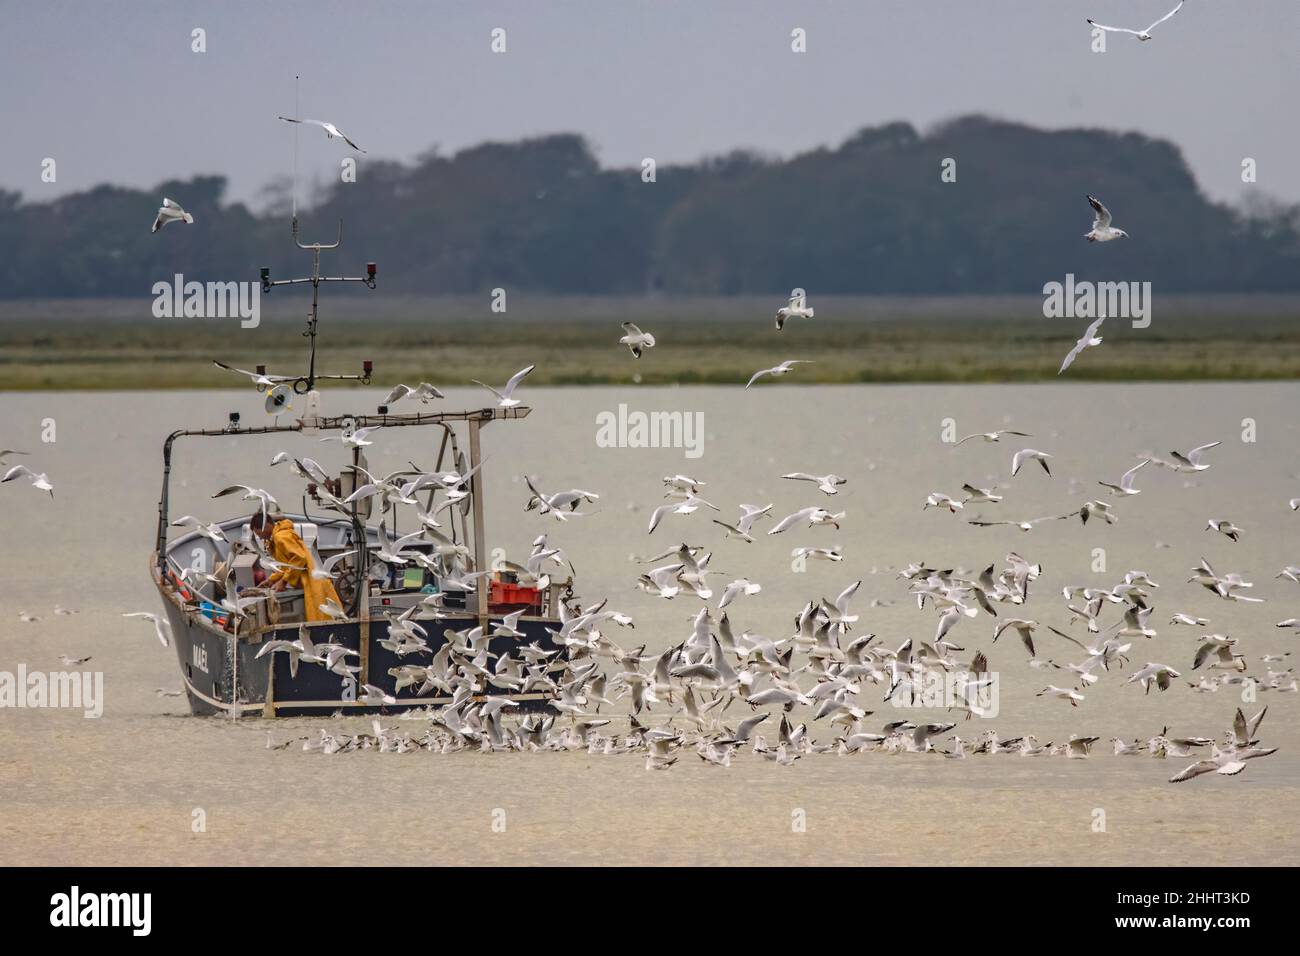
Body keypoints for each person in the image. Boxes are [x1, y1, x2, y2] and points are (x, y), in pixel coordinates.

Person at [249, 510, 343, 622]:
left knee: (322, 619)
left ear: (266, 526)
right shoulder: (277, 538)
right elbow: (286, 565)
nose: (259, 538)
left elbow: (300, 558)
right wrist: (271, 580)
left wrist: (284, 581)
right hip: (311, 581)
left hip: (313, 582)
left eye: (259, 533)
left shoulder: (281, 537)